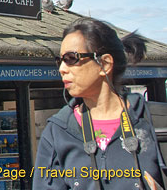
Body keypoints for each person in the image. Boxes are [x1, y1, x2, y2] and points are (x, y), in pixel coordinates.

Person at [33, 17, 165, 189]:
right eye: (60, 60)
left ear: (105, 63)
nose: (62, 69)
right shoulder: (56, 132)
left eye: (71, 58)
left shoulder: (157, 123)